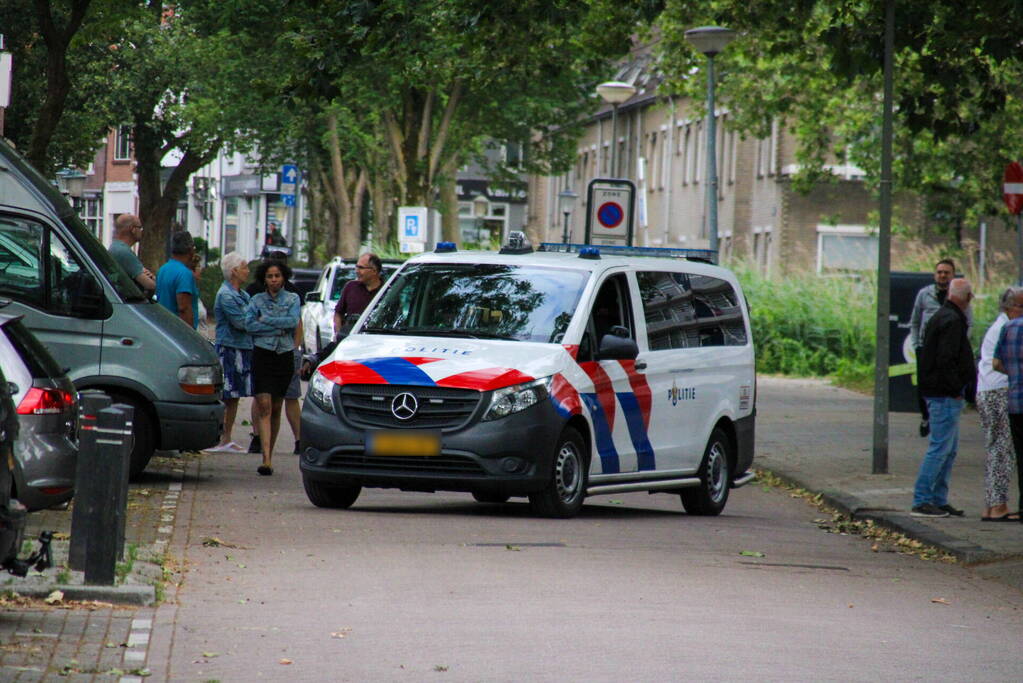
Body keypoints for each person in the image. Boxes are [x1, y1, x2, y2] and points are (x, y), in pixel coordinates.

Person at [911, 277, 975, 518]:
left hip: (939, 392)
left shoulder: (942, 316)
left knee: (949, 449)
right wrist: (957, 388)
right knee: (940, 448)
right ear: (967, 298)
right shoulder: (952, 321)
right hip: (944, 394)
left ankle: (938, 499)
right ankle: (922, 499)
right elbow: (946, 359)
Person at [245, 260, 300, 476]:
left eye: (277, 275)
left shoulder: (293, 298)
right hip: (262, 354)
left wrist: (266, 319)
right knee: (264, 404)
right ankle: (265, 459)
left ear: (283, 277)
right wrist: (277, 326)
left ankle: (271, 452)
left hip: (283, 355)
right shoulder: (256, 299)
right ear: (264, 279)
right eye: (270, 276)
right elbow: (249, 325)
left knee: (277, 406)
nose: (274, 280)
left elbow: (292, 322)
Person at [979, 288, 1022, 521]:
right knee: (1003, 450)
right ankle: (998, 505)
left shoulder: (998, 326)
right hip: (999, 390)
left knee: (995, 448)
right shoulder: (1007, 327)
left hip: (986, 389)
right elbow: (999, 363)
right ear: (1010, 307)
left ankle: (991, 504)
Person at [207, 252, 253, 454]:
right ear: (234, 271)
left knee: (234, 396)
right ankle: (219, 438)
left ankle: (227, 438)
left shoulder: (242, 294)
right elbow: (242, 322)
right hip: (229, 349)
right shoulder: (226, 295)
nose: (247, 271)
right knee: (227, 394)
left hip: (242, 349)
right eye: (244, 267)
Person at [908, 259, 956, 437]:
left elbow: (968, 321)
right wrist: (916, 344)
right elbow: (914, 320)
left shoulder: (957, 294)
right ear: (935, 274)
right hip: (925, 347)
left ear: (952, 275)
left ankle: (944, 418)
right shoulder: (924, 294)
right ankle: (925, 416)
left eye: (947, 272)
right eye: (940, 272)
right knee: (924, 384)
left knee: (946, 381)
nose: (943, 275)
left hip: (947, 348)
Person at [992, 288, 1023, 524]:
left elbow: (996, 363)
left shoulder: (1007, 328)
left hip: (1015, 402)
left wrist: (1014, 375)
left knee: (1021, 456)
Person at [332, 252, 383, 337]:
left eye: (361, 268)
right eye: (356, 267)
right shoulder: (350, 287)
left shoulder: (387, 291)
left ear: (374, 271)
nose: (357, 271)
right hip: (351, 339)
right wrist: (339, 335)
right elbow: (338, 313)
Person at [155, 231, 200, 329]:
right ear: (191, 250)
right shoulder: (185, 274)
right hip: (177, 331)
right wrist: (190, 335)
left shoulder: (162, 270)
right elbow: (184, 308)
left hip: (162, 328)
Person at [108, 213, 155, 293]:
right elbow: (150, 285)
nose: (141, 231)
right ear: (132, 229)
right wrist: (153, 278)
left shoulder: (115, 247)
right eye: (140, 228)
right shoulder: (123, 252)